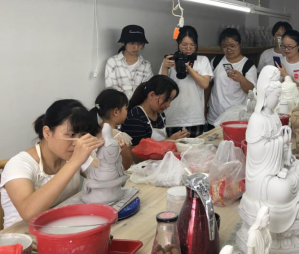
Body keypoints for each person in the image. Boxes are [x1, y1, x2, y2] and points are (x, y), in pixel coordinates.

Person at [0, 100, 104, 229]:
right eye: (71, 134)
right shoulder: (19, 164)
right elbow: (28, 212)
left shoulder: (72, 155)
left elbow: (106, 180)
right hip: (22, 236)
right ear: (47, 133)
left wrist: (109, 153)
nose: (77, 142)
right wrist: (74, 162)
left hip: (61, 227)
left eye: (82, 135)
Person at [161, 26, 213, 138]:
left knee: (197, 148)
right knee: (172, 148)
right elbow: (162, 88)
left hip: (195, 117)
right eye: (184, 45)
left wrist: (188, 69)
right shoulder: (170, 60)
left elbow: (205, 84)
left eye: (192, 45)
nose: (188, 48)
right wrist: (165, 67)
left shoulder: (202, 60)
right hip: (173, 117)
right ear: (178, 43)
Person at [207, 28, 257, 129]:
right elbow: (208, 85)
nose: (229, 49)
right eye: (224, 46)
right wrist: (205, 106)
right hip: (214, 115)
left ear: (240, 43)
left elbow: (251, 91)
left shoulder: (248, 65)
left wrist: (241, 79)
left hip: (235, 117)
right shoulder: (216, 61)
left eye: (232, 46)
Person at [121, 75, 189, 147]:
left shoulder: (161, 115)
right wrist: (170, 141)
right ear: (152, 95)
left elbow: (163, 140)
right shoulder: (135, 117)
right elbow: (139, 151)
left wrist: (173, 139)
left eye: (171, 100)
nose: (168, 105)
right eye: (167, 99)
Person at [105, 25, 154, 100]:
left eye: (140, 43)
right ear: (123, 43)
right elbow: (111, 89)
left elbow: (148, 89)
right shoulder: (112, 62)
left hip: (139, 104)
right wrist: (136, 88)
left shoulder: (146, 65)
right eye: (132, 43)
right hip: (119, 104)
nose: (136, 47)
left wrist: (124, 87)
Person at [91, 89, 133, 170]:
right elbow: (128, 166)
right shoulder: (119, 137)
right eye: (126, 109)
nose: (127, 112)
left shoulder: (92, 130)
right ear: (116, 112)